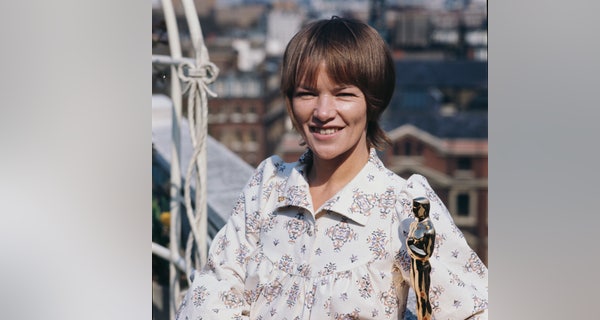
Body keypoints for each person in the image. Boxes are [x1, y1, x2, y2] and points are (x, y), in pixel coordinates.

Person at [176, 16, 488, 320]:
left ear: (372, 102)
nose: (323, 112)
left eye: (343, 94)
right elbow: (208, 298)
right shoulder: (268, 187)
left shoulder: (402, 207)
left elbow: (473, 308)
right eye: (307, 93)